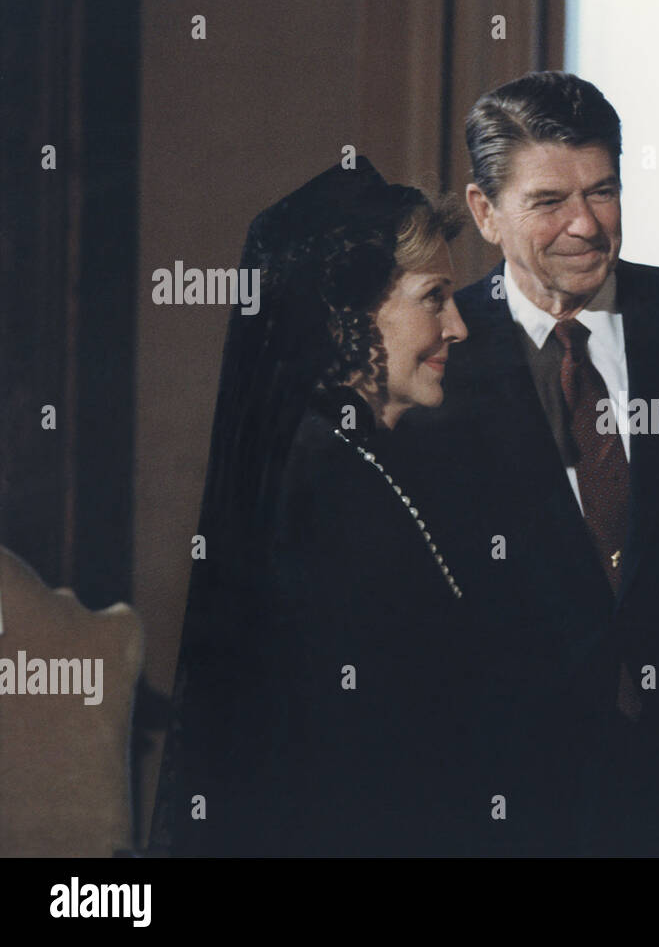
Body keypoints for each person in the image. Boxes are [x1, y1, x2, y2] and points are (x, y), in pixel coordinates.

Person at [392, 71, 659, 856]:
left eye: (603, 191)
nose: (585, 225)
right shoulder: (436, 355)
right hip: (504, 804)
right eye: (549, 201)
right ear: (485, 212)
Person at [150, 158, 483, 856]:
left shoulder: (353, 456)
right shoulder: (323, 482)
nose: (457, 326)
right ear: (349, 314)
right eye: (433, 297)